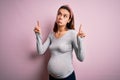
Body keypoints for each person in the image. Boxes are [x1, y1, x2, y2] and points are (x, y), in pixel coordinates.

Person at [34, 5, 85, 80]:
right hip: (52, 77)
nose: (60, 17)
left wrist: (80, 41)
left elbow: (81, 58)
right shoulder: (51, 34)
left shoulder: (72, 34)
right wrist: (38, 35)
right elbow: (40, 51)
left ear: (69, 20)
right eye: (59, 14)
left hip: (67, 78)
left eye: (65, 16)